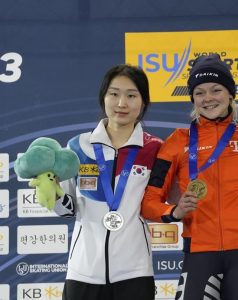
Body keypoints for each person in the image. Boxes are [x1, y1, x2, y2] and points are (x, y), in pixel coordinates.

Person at [141, 54, 238, 299]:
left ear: (230, 94)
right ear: (192, 97)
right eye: (200, 92)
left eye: (216, 90)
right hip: (200, 252)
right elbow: (149, 202)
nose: (208, 98)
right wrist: (174, 212)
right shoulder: (175, 142)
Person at [54, 64, 162, 300]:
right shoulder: (77, 147)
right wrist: (51, 194)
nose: (122, 103)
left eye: (131, 95)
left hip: (135, 272)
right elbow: (65, 209)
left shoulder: (155, 149)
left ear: (143, 102)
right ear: (103, 98)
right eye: (114, 94)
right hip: (83, 272)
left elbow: (165, 202)